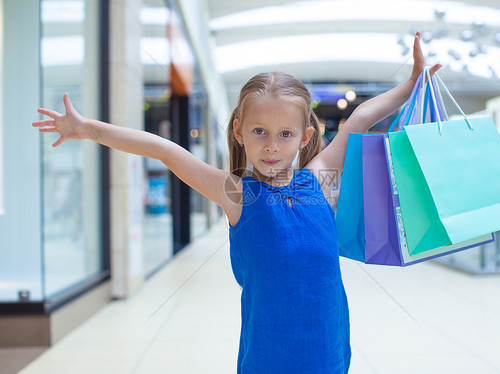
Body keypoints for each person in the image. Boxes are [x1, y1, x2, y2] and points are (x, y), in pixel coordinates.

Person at [33, 32, 438, 373]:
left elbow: (361, 119)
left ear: (305, 138)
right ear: (239, 132)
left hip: (328, 352)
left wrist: (412, 81)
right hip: (268, 358)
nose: (272, 146)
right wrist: (88, 129)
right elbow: (165, 150)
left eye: (285, 134)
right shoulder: (237, 196)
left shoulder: (317, 182)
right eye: (260, 131)